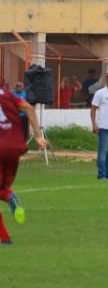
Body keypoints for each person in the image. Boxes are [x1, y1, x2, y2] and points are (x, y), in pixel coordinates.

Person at [0, 83, 49, 242]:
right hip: (14, 147)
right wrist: (37, 136)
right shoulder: (8, 95)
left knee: (3, 190)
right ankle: (5, 237)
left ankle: (5, 236)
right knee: (2, 187)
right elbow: (29, 108)